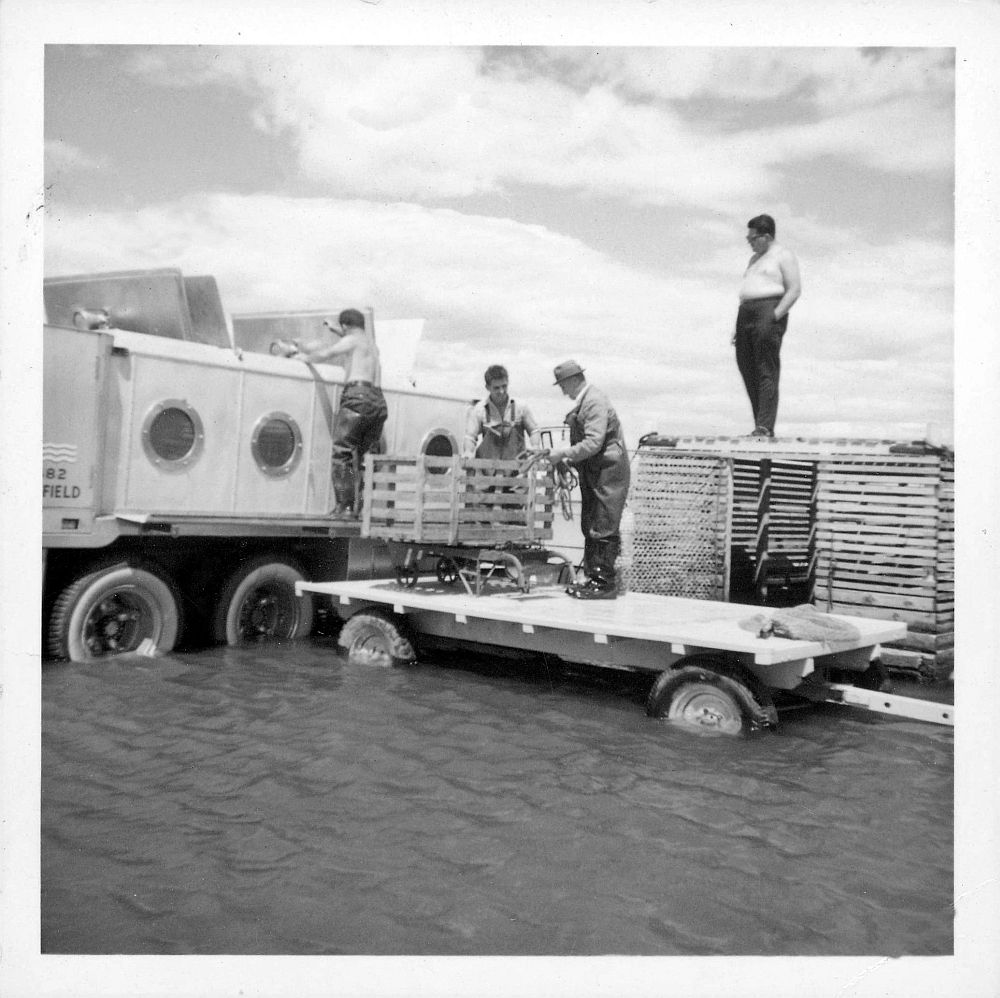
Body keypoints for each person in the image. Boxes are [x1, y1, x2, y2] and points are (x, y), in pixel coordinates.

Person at [542, 360, 630, 600]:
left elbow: (593, 443)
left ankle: (603, 584)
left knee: (603, 524)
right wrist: (569, 460)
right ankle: (594, 579)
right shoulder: (587, 400)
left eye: (562, 385)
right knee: (593, 523)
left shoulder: (593, 401)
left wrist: (562, 454)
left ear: (572, 380)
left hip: (608, 472)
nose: (562, 390)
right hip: (596, 471)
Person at [290, 308, 388, 518]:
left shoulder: (351, 341)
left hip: (357, 397)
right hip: (378, 401)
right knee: (362, 457)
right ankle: (361, 509)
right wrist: (336, 329)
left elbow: (326, 354)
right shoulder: (371, 345)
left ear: (346, 326)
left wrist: (303, 357)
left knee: (342, 452)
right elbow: (351, 337)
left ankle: (344, 507)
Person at [733, 214, 801, 438]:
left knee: (765, 369)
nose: (749, 242)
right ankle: (758, 426)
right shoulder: (754, 260)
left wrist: (775, 315)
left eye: (752, 238)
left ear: (766, 236)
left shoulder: (783, 255)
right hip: (746, 312)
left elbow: (794, 289)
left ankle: (764, 426)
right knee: (747, 367)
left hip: (768, 309)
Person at [462, 364, 540, 460]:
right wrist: (468, 452)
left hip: (517, 470)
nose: (502, 391)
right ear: (487, 387)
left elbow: (534, 431)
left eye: (504, 386)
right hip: (488, 469)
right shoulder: (479, 410)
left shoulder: (521, 407)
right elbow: (470, 437)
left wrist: (535, 446)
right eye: (496, 388)